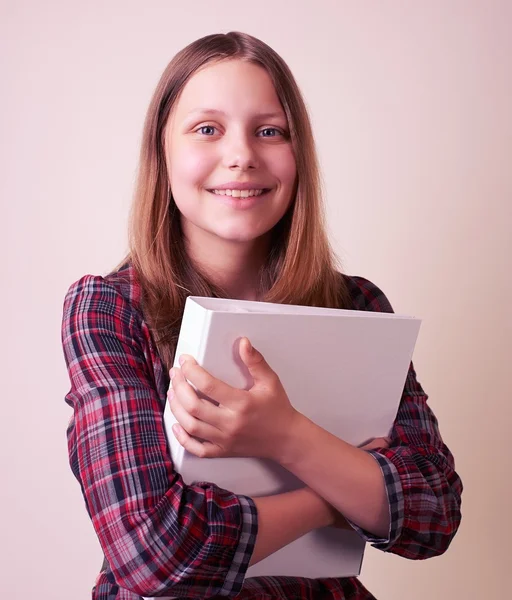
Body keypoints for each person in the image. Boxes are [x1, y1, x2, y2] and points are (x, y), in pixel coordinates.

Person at [61, 31, 463, 600]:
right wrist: (335, 493)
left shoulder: (357, 305)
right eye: (208, 129)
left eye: (270, 131)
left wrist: (288, 436)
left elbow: (435, 513)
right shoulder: (108, 309)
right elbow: (156, 554)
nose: (242, 154)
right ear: (162, 152)